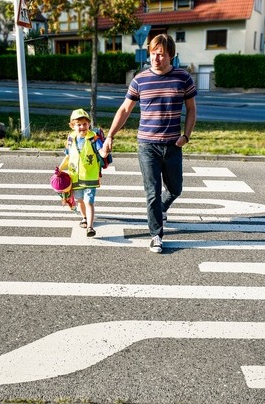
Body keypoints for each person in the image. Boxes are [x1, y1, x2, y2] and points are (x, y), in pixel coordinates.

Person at [102, 34, 197, 253]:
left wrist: (186, 135)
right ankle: (156, 234)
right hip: (147, 146)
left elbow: (191, 109)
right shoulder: (140, 79)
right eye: (153, 53)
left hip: (174, 145)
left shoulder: (183, 78)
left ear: (171, 55)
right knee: (152, 192)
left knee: (175, 189)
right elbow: (125, 109)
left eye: (161, 54)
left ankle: (162, 208)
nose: (156, 58)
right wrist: (110, 136)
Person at [59, 108, 108, 237]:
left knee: (89, 202)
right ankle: (84, 218)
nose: (82, 127)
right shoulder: (71, 138)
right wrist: (60, 168)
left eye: (85, 124)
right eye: (78, 124)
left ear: (89, 124)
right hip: (75, 177)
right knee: (80, 200)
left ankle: (90, 227)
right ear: (72, 126)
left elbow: (101, 152)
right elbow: (68, 156)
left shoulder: (93, 138)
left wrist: (106, 151)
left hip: (90, 177)